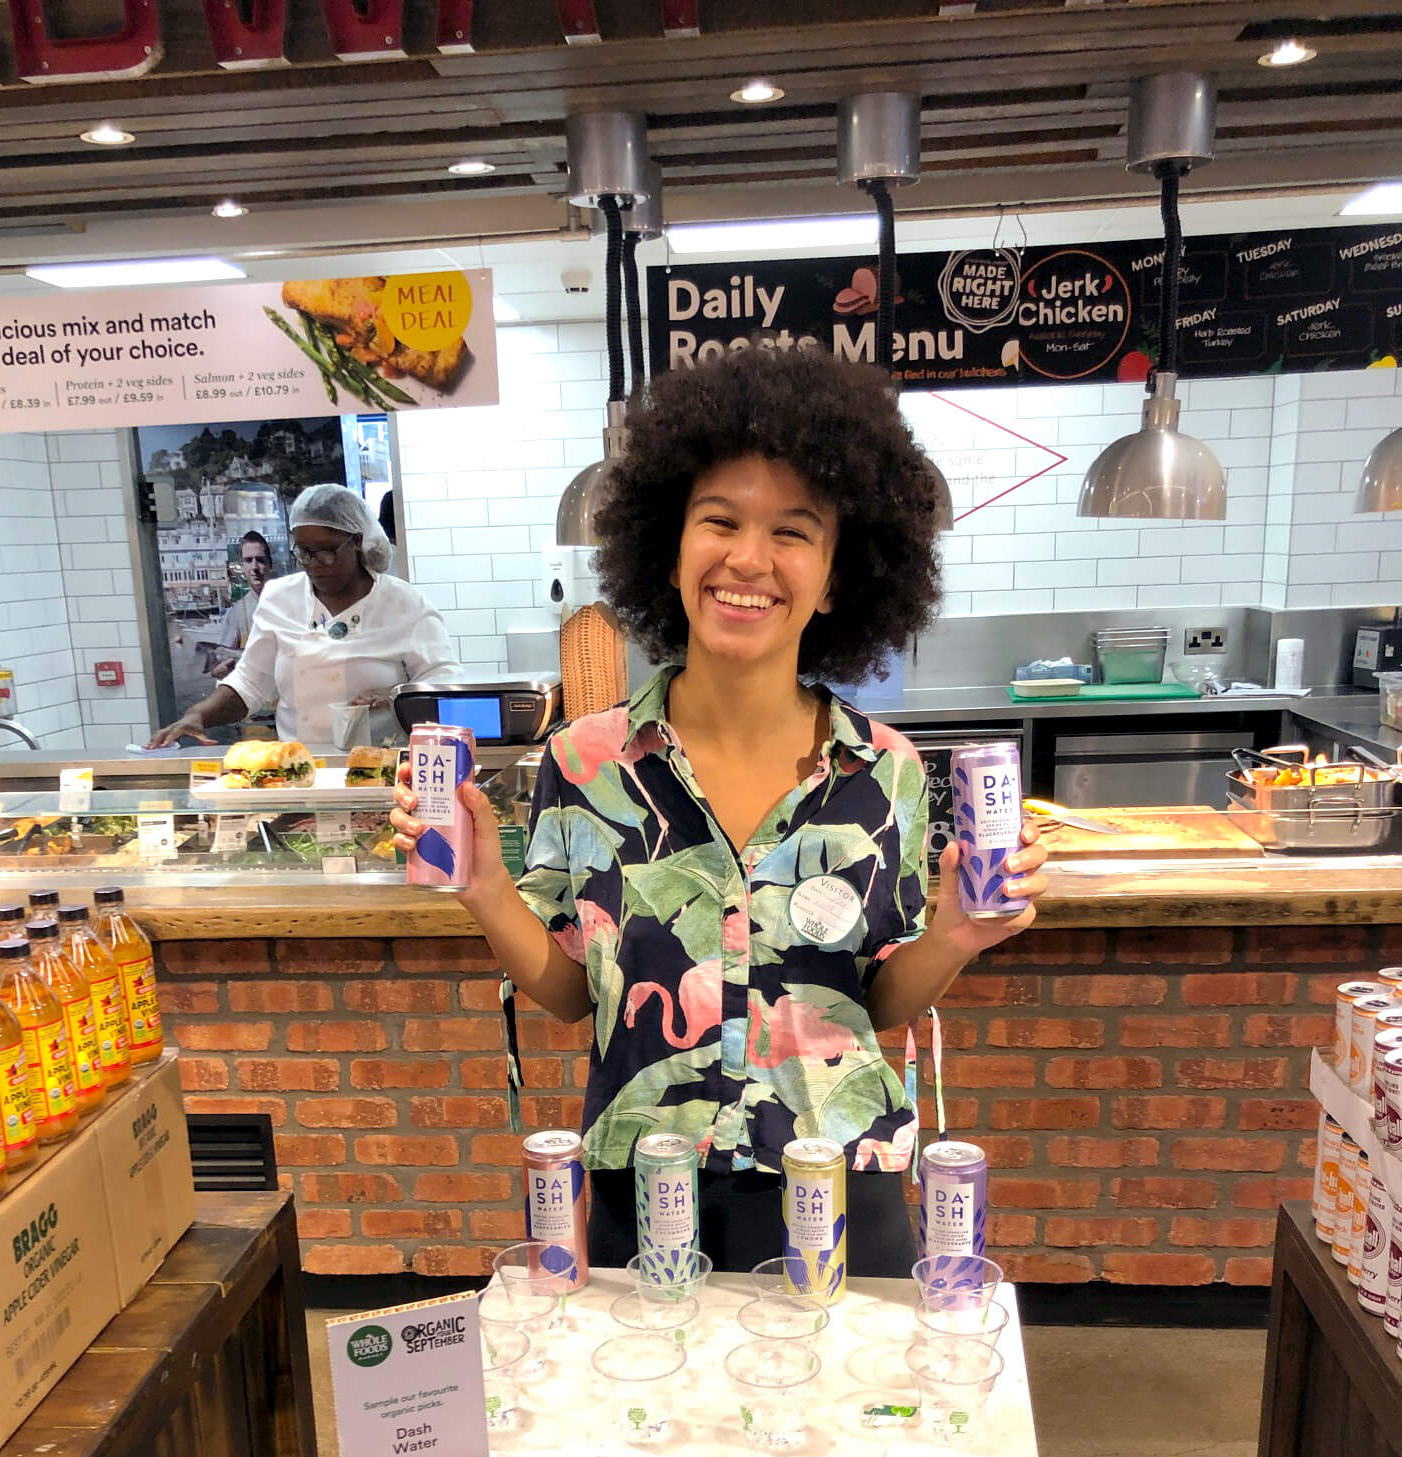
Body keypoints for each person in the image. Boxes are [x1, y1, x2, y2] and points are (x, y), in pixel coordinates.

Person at [389, 344, 1049, 1274]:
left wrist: (952, 937)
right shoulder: (583, 762)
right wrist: (487, 891)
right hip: (642, 1180)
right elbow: (578, 997)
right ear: (668, 546)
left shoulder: (886, 771)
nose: (749, 558)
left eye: (794, 531)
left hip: (842, 1182)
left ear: (837, 577)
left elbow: (880, 1004)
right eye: (720, 520)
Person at [149, 485, 461, 747]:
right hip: (301, 771)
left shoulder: (406, 605)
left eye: (325, 551)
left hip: (385, 769)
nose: (313, 564)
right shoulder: (279, 598)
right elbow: (251, 682)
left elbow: (445, 683)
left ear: (356, 540)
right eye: (303, 552)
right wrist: (199, 715)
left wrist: (396, 696)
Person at [209, 529, 274, 671]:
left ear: (270, 563)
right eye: (249, 560)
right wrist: (218, 671)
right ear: (243, 567)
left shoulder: (289, 605)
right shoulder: (236, 613)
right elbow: (221, 662)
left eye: (260, 560)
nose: (255, 567)